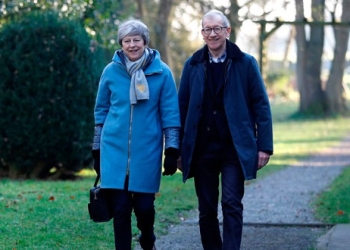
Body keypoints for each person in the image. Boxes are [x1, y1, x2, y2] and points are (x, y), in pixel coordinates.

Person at [178, 10, 273, 250]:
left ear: (227, 31)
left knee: (231, 203)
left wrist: (264, 146)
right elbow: (181, 108)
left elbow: (261, 105)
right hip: (202, 149)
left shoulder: (246, 63)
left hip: (234, 147)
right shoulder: (193, 64)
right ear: (202, 33)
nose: (212, 34)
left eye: (217, 29)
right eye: (207, 29)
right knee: (206, 208)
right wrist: (178, 149)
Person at [91, 19, 180, 250]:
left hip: (147, 152)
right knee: (120, 209)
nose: (132, 45)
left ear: (145, 42)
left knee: (144, 208)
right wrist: (96, 148)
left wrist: (171, 149)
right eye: (127, 41)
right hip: (113, 152)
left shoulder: (162, 73)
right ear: (121, 43)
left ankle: (147, 237)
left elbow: (170, 113)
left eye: (136, 40)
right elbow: (101, 110)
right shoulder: (111, 71)